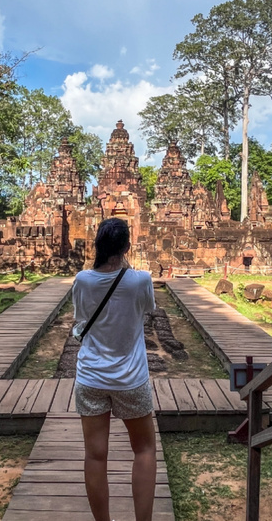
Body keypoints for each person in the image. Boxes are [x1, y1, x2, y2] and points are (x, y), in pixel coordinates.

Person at [72, 217, 157, 521]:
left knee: (95, 455)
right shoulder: (140, 279)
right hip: (131, 378)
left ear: (97, 245)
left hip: (91, 376)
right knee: (145, 449)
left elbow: (81, 317)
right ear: (126, 247)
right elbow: (148, 309)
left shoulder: (83, 280)